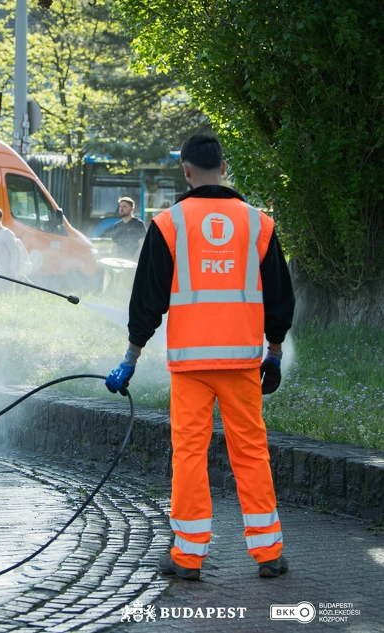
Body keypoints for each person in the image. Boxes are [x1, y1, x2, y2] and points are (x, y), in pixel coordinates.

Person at [105, 134, 295, 581]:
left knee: (189, 454)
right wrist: (275, 351)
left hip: (190, 366)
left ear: (185, 171)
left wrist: (131, 355)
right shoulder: (259, 224)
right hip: (244, 364)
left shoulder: (169, 224)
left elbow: (147, 299)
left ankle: (187, 557)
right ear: (224, 167)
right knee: (250, 452)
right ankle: (268, 553)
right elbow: (279, 297)